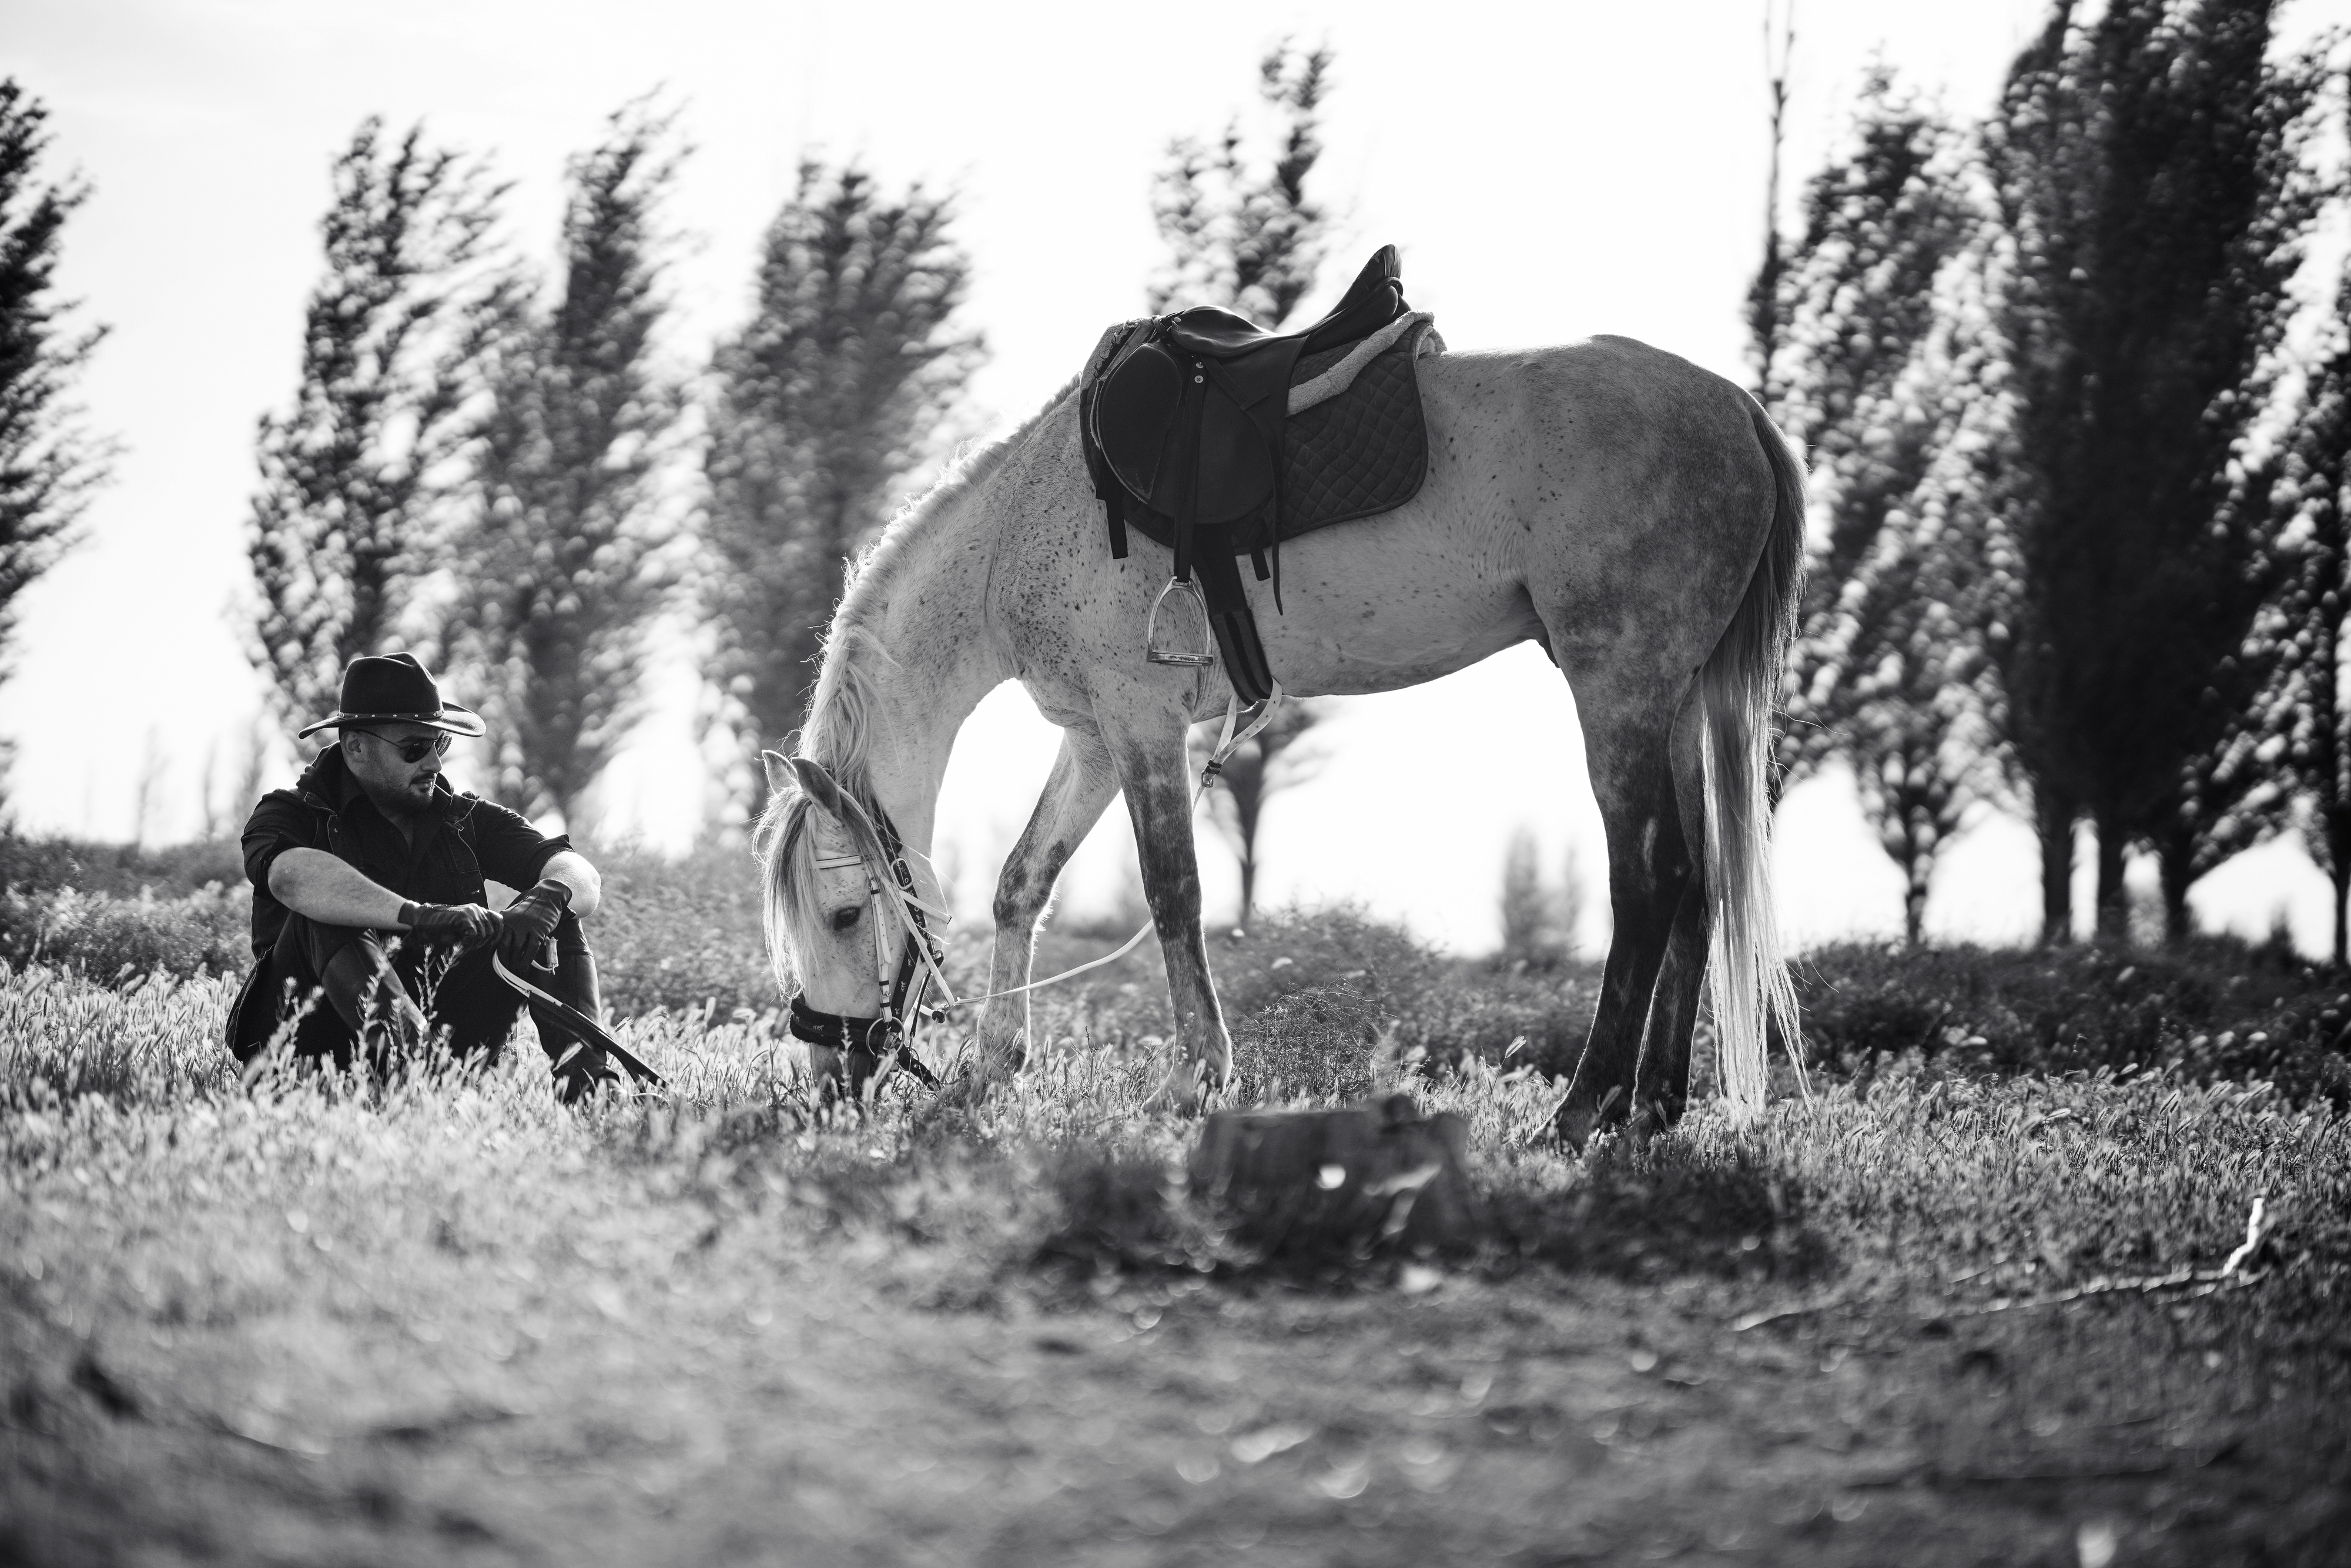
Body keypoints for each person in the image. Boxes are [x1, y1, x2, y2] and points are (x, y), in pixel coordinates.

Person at [227, 652, 617, 1100]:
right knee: (325, 909)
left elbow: (583, 877)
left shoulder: (466, 817)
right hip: (306, 1047)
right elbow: (291, 879)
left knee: (556, 910)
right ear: (356, 747)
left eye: (440, 746)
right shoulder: (288, 813)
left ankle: (592, 1092)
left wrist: (550, 895)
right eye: (415, 749)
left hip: (443, 1039)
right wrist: (419, 917)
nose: (434, 764)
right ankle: (415, 1080)